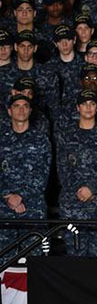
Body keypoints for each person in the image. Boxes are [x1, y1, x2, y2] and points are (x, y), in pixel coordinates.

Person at [55, 90, 97, 257]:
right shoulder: (65, 135)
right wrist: (80, 190)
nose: (88, 107)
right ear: (78, 107)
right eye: (84, 104)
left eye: (92, 104)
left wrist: (92, 188)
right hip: (72, 203)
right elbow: (62, 169)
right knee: (75, 258)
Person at [0, 94, 50, 264]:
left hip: (33, 207)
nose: (21, 109)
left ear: (30, 110)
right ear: (9, 111)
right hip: (3, 208)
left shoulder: (41, 140)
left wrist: (21, 195)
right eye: (16, 106)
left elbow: (43, 175)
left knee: (35, 262)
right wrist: (8, 196)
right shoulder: (2, 139)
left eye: (25, 106)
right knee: (4, 263)